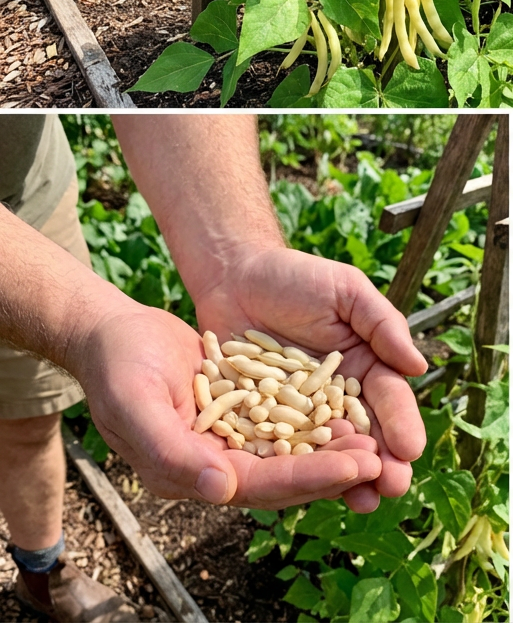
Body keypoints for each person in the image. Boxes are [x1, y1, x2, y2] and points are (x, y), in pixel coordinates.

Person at [0, 115, 428, 622]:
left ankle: (41, 571)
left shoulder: (271, 386)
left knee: (26, 421)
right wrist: (86, 327)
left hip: (19, 184)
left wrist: (235, 257)